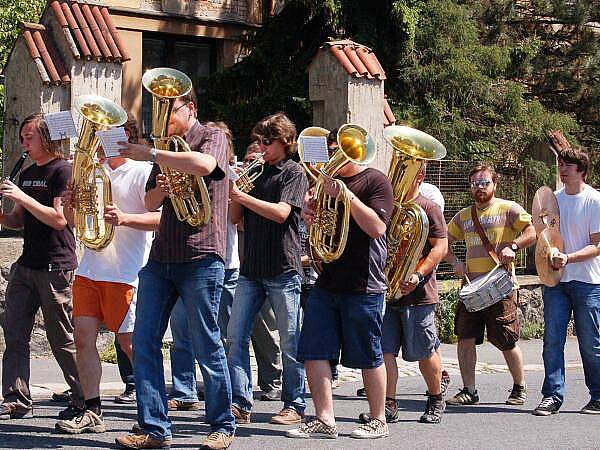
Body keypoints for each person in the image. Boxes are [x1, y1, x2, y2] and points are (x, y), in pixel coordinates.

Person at [115, 88, 235, 450]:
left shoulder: (212, 135)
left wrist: (151, 152)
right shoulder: (167, 149)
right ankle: (154, 428)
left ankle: (221, 425)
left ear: (190, 108)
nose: (163, 116)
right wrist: (164, 188)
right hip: (162, 256)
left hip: (201, 254)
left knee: (206, 342)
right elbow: (149, 200)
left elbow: (206, 166)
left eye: (170, 109)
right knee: (144, 339)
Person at [55, 119, 160, 434]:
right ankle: (92, 409)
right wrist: (73, 205)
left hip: (127, 270)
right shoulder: (90, 172)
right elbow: (72, 222)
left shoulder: (142, 171)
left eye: (104, 131)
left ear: (123, 135)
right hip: (90, 267)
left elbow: (162, 218)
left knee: (130, 344)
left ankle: (152, 412)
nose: (98, 138)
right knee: (83, 339)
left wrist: (126, 217)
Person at [287, 135, 394, 440]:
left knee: (369, 354)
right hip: (328, 279)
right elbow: (318, 224)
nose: (334, 157)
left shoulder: (376, 181)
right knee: (313, 349)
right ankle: (324, 419)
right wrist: (310, 214)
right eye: (332, 151)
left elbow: (377, 227)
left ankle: (377, 419)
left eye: (340, 151)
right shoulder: (326, 182)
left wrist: (348, 196)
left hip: (364, 283)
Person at [0, 113, 83, 420]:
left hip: (55, 264)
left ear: (46, 138)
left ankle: (84, 397)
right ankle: (16, 397)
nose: (24, 144)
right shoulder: (27, 172)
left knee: (61, 338)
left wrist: (21, 194)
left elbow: (59, 219)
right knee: (15, 332)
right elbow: (17, 220)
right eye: (22, 138)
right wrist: (2, 214)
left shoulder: (63, 171)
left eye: (29, 138)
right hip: (27, 262)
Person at [227, 112, 308, 425]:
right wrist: (236, 190)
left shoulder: (293, 172)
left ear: (284, 142)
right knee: (235, 337)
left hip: (282, 268)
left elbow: (281, 213)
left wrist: (243, 196)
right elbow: (234, 217)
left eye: (267, 141)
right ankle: (240, 402)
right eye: (258, 140)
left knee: (289, 342)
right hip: (251, 268)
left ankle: (295, 405)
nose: (260, 146)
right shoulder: (256, 171)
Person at [444, 163, 536, 406]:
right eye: (475, 183)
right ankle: (469, 390)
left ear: (495, 183)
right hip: (471, 288)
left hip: (501, 287)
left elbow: (532, 232)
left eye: (484, 182)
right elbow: (444, 241)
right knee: (465, 338)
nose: (479, 187)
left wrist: (513, 246)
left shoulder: (508, 209)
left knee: (506, 339)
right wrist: (454, 261)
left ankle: (519, 386)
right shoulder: (463, 216)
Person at [376, 165, 448, 424]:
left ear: (420, 176)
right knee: (385, 352)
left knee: (425, 353)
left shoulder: (429, 207)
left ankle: (435, 397)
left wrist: (417, 274)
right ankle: (388, 404)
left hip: (418, 294)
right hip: (386, 291)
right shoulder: (387, 205)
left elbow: (440, 247)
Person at [532, 147, 600, 416]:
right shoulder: (552, 200)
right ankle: (552, 396)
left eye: (568, 166)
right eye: (560, 164)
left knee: (590, 342)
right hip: (556, 281)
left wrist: (568, 257)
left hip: (587, 281)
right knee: (552, 339)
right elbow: (545, 237)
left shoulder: (594, 200)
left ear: (581, 171)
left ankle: (597, 395)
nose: (562, 170)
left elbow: (597, 246)